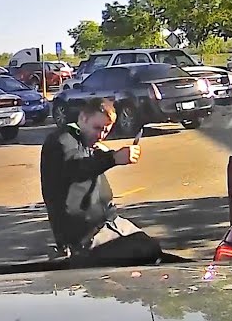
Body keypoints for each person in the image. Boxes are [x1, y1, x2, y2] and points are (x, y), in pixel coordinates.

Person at [39, 97, 160, 266]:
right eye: (97, 128)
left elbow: (88, 162)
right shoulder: (61, 141)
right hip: (86, 235)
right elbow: (76, 168)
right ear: (83, 118)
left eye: (106, 130)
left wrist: (104, 154)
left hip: (110, 221)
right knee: (143, 255)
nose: (101, 135)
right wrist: (113, 158)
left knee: (153, 250)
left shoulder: (86, 143)